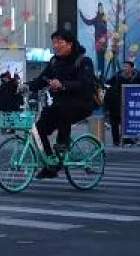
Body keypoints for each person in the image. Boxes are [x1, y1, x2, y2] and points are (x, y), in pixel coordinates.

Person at [27, 28, 98, 177]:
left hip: (82, 103)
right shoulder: (54, 61)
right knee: (39, 128)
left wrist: (63, 85)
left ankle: (61, 149)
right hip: (61, 104)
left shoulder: (83, 61)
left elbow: (85, 83)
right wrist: (26, 86)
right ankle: (50, 162)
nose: (56, 45)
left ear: (70, 44)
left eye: (60, 42)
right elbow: (42, 79)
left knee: (63, 109)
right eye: (54, 42)